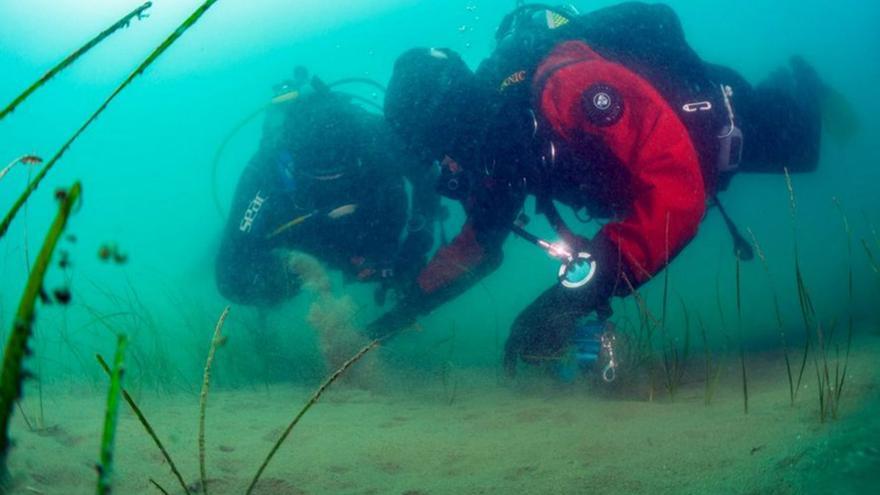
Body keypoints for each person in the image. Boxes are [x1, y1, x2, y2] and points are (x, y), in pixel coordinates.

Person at [367, 3, 850, 377]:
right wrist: (398, 314)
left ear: (454, 123)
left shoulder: (568, 84)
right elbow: (476, 243)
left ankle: (803, 78)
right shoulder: (498, 147)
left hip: (719, 134)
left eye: (441, 150)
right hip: (655, 166)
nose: (446, 168)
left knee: (802, 146)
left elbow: (678, 190)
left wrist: (578, 294)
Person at [215, 69, 439, 310]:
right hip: (306, 241)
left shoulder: (373, 135)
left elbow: (427, 173)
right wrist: (297, 273)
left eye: (342, 176)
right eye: (321, 180)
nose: (336, 192)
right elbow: (230, 277)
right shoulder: (266, 170)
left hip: (378, 230)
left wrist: (417, 241)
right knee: (240, 241)